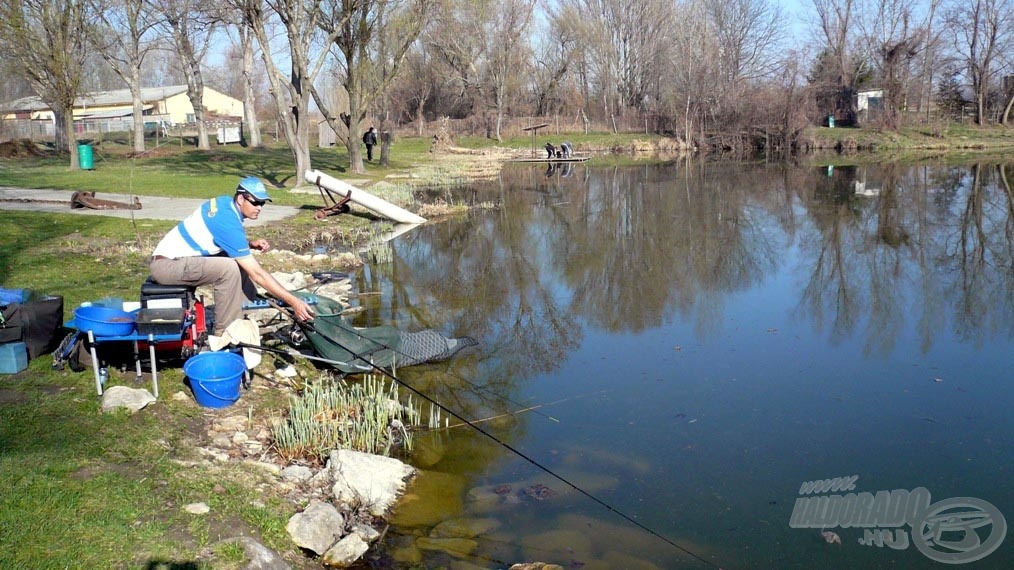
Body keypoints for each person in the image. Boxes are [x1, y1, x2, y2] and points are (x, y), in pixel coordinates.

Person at [149, 176, 314, 336]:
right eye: (255, 202)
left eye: (262, 203)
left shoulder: (225, 204)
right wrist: (293, 301)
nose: (259, 208)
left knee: (238, 261)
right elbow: (257, 274)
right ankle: (225, 334)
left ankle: (244, 310)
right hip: (167, 267)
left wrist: (248, 244)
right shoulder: (226, 220)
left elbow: (218, 236)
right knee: (229, 268)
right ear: (241, 199)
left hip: (177, 260)